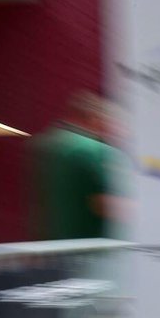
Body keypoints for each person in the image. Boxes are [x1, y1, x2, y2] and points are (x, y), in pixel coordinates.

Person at [31, 91, 119, 240]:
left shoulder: (46, 145)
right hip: (85, 248)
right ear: (93, 118)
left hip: (48, 244)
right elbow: (103, 203)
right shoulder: (91, 150)